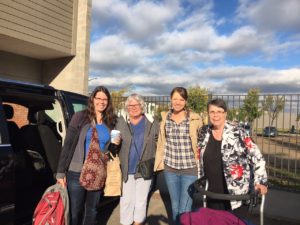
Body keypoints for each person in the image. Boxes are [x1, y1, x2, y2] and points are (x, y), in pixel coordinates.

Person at [56, 86, 119, 225]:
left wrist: (115, 144)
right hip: (75, 171)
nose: (101, 102)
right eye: (99, 98)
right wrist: (60, 172)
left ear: (108, 102)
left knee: (92, 210)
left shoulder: (111, 122)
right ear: (93, 99)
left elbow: (110, 150)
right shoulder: (80, 117)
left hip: (98, 172)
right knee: (74, 212)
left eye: (105, 99)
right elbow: (68, 145)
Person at [197, 98, 268, 212]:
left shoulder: (238, 132)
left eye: (219, 111)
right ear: (208, 113)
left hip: (236, 196)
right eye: (212, 112)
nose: (215, 115)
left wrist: (260, 182)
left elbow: (258, 158)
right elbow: (198, 156)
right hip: (211, 194)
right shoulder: (204, 132)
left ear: (225, 113)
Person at [154, 87, 203, 225]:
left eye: (181, 99)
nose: (178, 102)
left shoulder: (195, 119)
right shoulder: (165, 118)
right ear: (171, 99)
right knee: (175, 206)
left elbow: (202, 140)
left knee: (185, 208)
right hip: (170, 169)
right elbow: (161, 140)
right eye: (175, 98)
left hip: (190, 169)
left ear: (185, 101)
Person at [115, 93, 159, 225]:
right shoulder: (120, 122)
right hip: (127, 168)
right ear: (126, 107)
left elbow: (160, 142)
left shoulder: (152, 122)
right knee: (126, 200)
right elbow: (113, 145)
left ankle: (138, 222)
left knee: (141, 200)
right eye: (130, 105)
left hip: (145, 168)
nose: (133, 107)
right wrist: (114, 144)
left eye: (136, 105)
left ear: (142, 106)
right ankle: (126, 223)